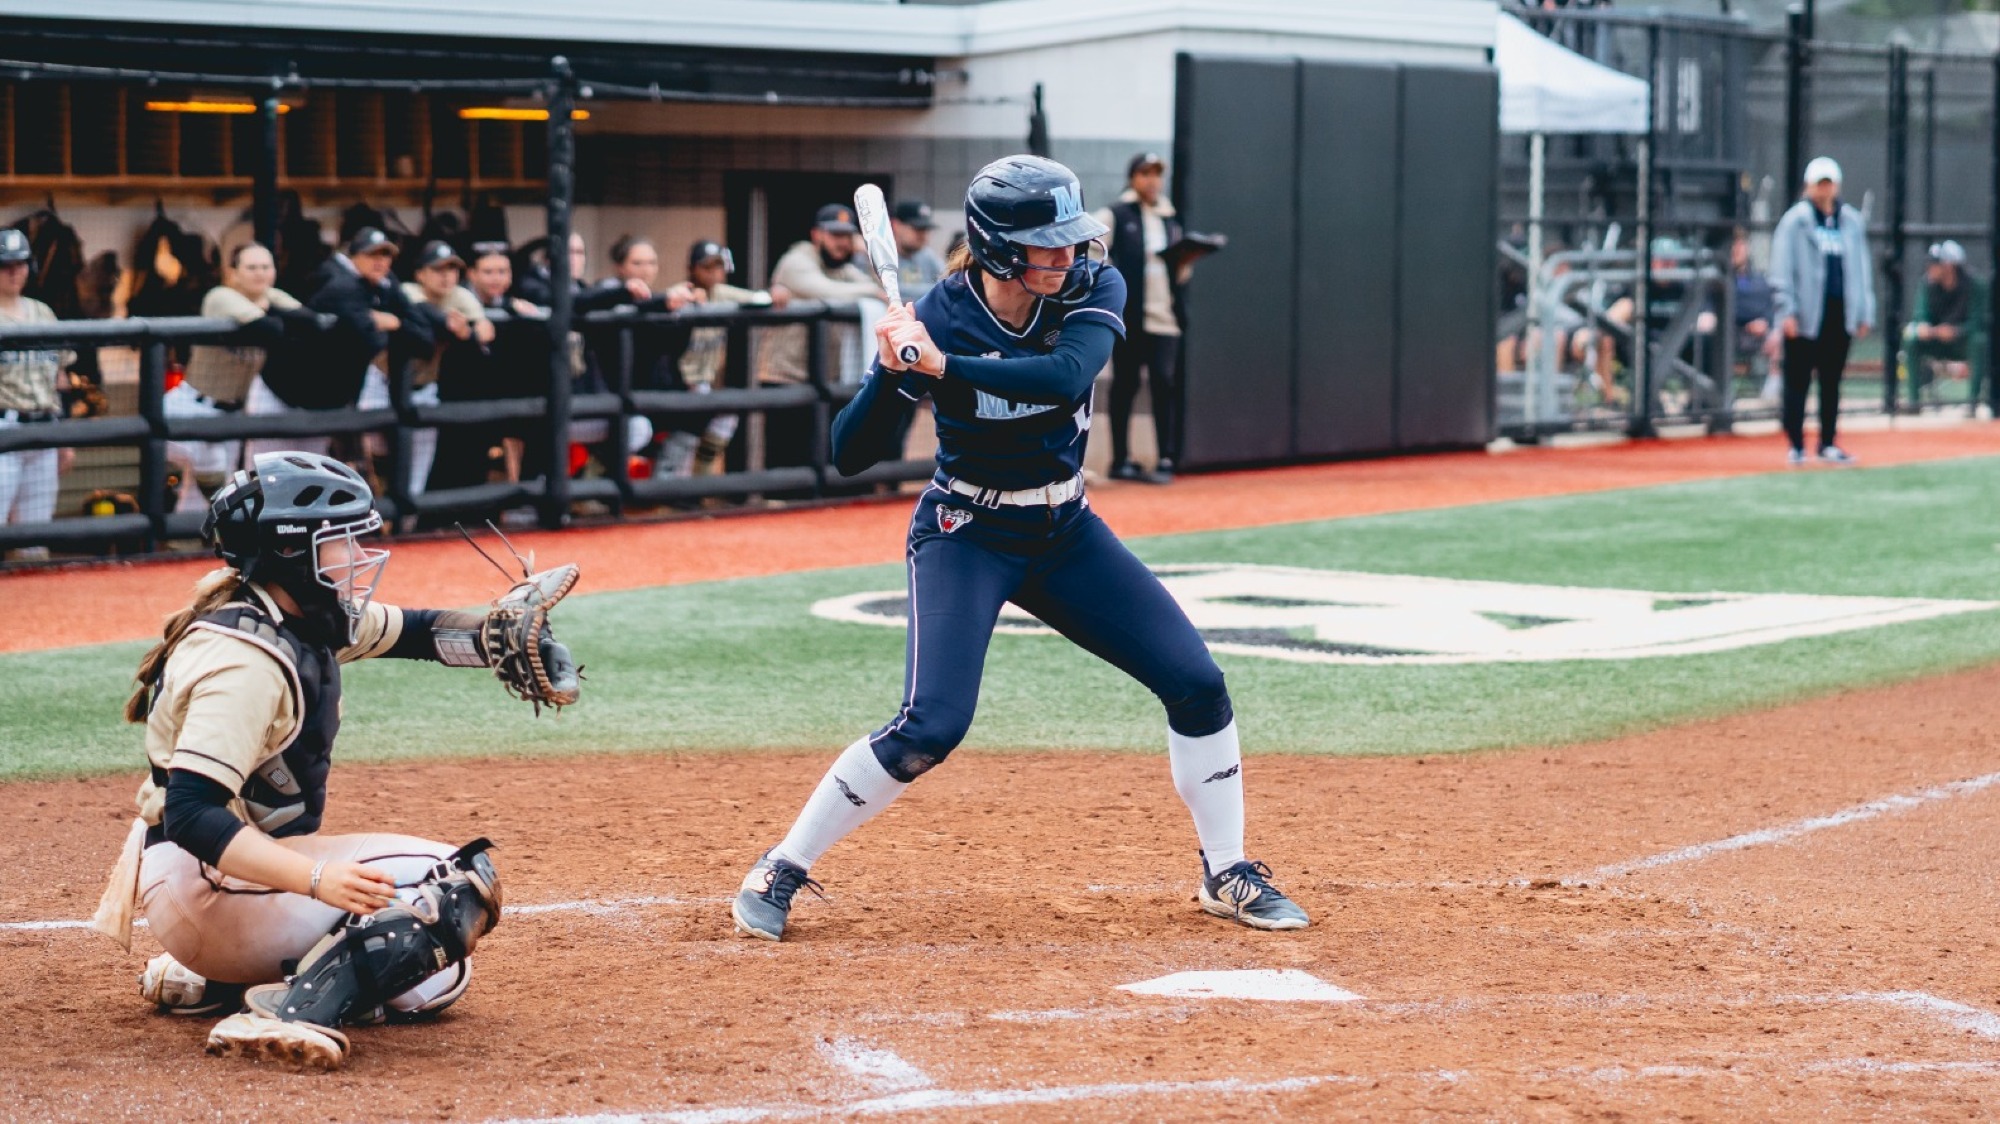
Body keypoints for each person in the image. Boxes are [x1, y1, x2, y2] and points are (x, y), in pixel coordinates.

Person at [729, 155, 1308, 943]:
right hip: (967, 533)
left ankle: (1227, 871)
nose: (1069, 255)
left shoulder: (1091, 290)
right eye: (1049, 244)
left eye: (1072, 240)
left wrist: (942, 366)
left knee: (1197, 684)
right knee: (930, 726)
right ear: (999, 249)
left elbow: (1067, 378)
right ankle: (781, 866)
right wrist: (889, 369)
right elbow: (850, 453)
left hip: (1065, 532)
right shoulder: (936, 314)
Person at [93, 451, 580, 1070]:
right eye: (341, 540)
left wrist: (502, 634)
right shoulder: (242, 662)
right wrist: (318, 881)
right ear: (290, 552)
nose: (358, 553)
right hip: (205, 881)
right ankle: (287, 1010)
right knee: (455, 885)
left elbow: (420, 632)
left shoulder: (297, 615)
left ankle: (211, 980)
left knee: (433, 980)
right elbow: (191, 812)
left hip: (233, 886)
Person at [1769, 156, 1875, 465]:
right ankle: (1796, 445)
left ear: (1837, 185)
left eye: (1829, 183)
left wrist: (1863, 310)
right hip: (1804, 316)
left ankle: (1828, 442)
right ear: (1808, 186)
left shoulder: (1851, 221)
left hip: (1838, 315)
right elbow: (1781, 269)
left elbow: (1861, 269)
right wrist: (1786, 309)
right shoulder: (1795, 221)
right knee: (1797, 380)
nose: (1824, 189)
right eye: (1819, 183)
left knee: (1832, 380)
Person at [1094, 153, 1187, 485]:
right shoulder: (1116, 214)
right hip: (1130, 318)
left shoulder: (1169, 219)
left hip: (1164, 318)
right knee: (1125, 386)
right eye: (1145, 173)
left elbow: (1177, 273)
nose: (1152, 181)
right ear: (1133, 177)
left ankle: (1165, 457)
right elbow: (1093, 253)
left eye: (1157, 174)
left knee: (1164, 383)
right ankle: (1121, 459)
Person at [670, 240, 787, 478]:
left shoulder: (722, 293)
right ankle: (676, 488)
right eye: (707, 267)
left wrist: (774, 294)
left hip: (703, 383)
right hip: (675, 381)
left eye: (718, 267)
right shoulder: (680, 293)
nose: (714, 273)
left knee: (728, 414)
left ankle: (700, 481)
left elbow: (760, 299)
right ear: (692, 268)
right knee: (691, 425)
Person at [0, 226, 74, 558]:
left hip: (44, 427)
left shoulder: (42, 312)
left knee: (35, 537)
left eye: (20, 263)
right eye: (5, 264)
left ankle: (34, 609)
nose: (14, 272)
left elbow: (60, 378)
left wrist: (64, 437)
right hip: (4, 428)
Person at [399, 241, 494, 492]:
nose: (446, 276)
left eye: (452, 269)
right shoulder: (407, 291)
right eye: (437, 269)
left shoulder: (459, 295)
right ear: (420, 273)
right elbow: (431, 317)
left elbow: (486, 330)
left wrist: (467, 332)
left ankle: (404, 527)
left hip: (425, 386)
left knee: (417, 469)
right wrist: (454, 328)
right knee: (371, 454)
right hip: (383, 384)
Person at [1902, 240, 1979, 405]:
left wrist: (1956, 331)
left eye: (1935, 264)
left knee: (1980, 341)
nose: (1930, 268)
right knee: (1911, 338)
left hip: (1963, 341)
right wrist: (1923, 325)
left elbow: (1980, 322)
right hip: (1936, 340)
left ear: (1950, 266)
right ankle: (1914, 401)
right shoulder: (1927, 284)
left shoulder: (1974, 285)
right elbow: (1920, 314)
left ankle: (1975, 401)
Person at [891, 199, 947, 300]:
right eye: (917, 229)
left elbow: (947, 285)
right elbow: (883, 290)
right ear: (896, 226)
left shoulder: (926, 255)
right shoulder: (880, 255)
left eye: (925, 229)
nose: (923, 235)